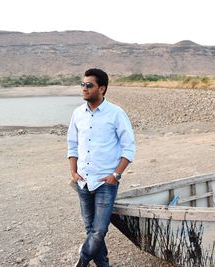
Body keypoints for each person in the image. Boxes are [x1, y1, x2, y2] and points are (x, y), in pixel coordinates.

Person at [67, 68, 136, 267]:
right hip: (83, 181)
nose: (84, 89)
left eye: (89, 85)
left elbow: (129, 147)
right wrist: (73, 172)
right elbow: (72, 144)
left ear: (102, 88)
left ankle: (81, 262)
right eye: (83, 85)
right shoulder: (77, 113)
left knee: (99, 230)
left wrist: (116, 174)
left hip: (106, 181)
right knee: (91, 229)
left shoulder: (116, 113)